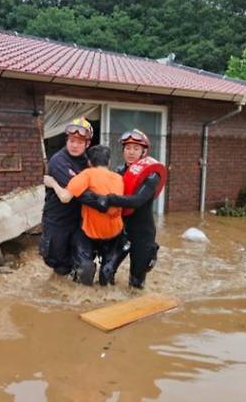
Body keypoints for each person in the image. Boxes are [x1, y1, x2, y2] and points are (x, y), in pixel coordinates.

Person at [44, 145, 124, 286]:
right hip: (114, 232)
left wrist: (53, 183)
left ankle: (83, 296)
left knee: (85, 266)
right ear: (109, 162)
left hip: (91, 232)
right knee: (107, 270)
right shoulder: (119, 178)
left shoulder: (86, 175)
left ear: (89, 163)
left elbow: (65, 198)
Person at [99, 129, 167, 289]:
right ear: (123, 151)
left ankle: (150, 256)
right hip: (121, 230)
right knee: (105, 274)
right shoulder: (118, 172)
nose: (131, 152)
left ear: (144, 152)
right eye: (128, 148)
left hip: (142, 233)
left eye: (136, 149)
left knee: (136, 283)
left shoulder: (152, 176)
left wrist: (110, 199)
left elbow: (137, 201)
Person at [40, 117, 97, 276]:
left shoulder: (89, 161)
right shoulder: (58, 161)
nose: (74, 145)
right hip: (58, 221)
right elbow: (81, 194)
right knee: (60, 266)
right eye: (71, 140)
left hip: (80, 221)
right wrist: (102, 200)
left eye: (80, 142)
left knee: (85, 265)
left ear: (87, 144)